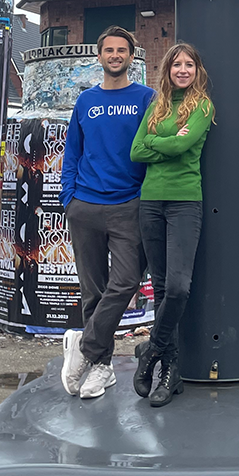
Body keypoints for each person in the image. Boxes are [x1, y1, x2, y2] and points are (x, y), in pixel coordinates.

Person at [59, 27, 154, 400]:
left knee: (127, 281)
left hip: (128, 204)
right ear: (99, 57)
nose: (115, 55)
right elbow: (72, 152)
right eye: (109, 50)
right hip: (85, 203)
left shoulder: (147, 98)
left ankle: (84, 345)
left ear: (132, 56)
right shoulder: (85, 101)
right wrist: (70, 198)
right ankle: (101, 367)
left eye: (122, 50)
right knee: (92, 291)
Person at [130, 43, 214, 406]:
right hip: (150, 201)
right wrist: (167, 140)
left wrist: (156, 141)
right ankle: (171, 370)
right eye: (176, 64)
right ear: (167, 69)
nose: (182, 70)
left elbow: (184, 148)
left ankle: (150, 352)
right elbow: (136, 151)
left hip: (184, 202)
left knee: (179, 287)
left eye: (189, 64)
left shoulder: (204, 106)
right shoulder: (157, 105)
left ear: (197, 70)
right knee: (161, 289)